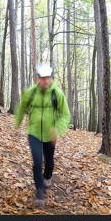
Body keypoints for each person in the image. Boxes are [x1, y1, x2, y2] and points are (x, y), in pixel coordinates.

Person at [14, 63, 70, 206]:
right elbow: (21, 108)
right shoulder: (30, 92)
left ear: (51, 78)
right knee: (37, 162)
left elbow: (65, 115)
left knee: (49, 162)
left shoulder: (57, 93)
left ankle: (48, 176)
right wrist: (17, 124)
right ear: (37, 78)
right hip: (34, 132)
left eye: (47, 78)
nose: (45, 81)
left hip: (50, 134)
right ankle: (39, 191)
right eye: (42, 78)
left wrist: (57, 130)